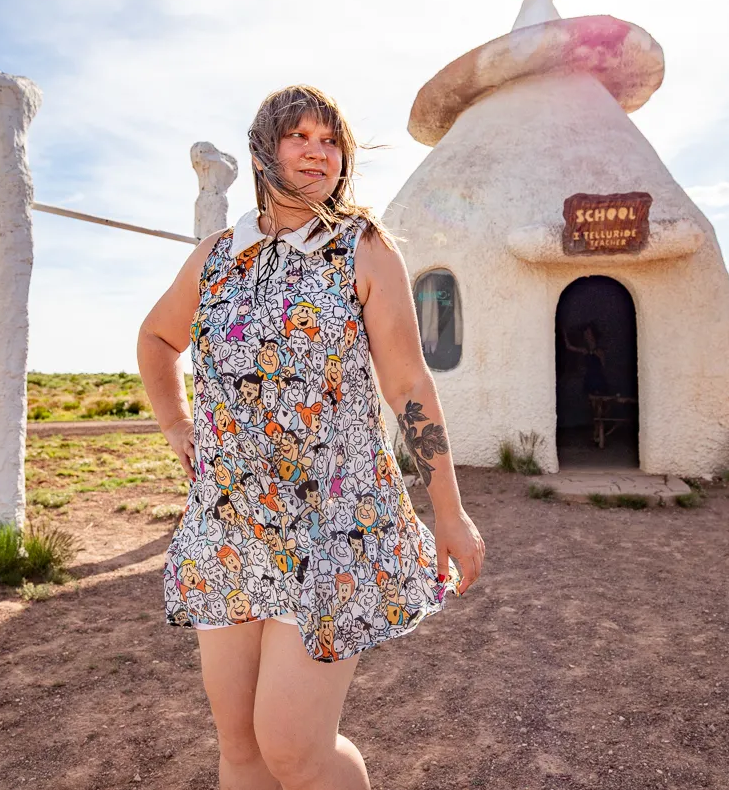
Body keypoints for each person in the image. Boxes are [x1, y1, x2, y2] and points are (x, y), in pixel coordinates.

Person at [137, 85, 486, 790]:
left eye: (330, 140)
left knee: (293, 746)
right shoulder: (216, 259)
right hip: (230, 529)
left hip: (332, 529)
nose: (317, 150)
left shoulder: (360, 249)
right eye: (300, 136)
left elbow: (410, 386)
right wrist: (176, 423)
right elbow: (156, 337)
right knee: (240, 745)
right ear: (265, 150)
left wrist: (448, 509)